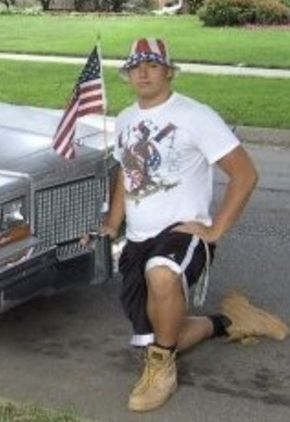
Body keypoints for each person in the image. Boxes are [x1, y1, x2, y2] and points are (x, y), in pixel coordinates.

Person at [95, 37, 288, 412]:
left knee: (163, 274)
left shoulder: (195, 116)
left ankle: (162, 370)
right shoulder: (125, 119)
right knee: (163, 333)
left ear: (169, 71)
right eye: (137, 66)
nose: (144, 73)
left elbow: (244, 174)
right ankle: (229, 320)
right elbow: (126, 176)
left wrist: (214, 231)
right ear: (128, 74)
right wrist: (112, 223)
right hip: (138, 238)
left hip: (184, 232)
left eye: (153, 65)